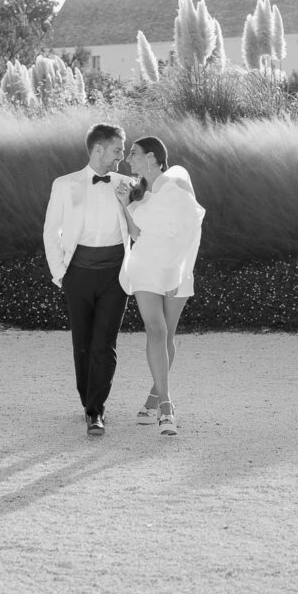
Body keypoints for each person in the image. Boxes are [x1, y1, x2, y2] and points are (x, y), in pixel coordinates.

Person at [43, 122, 131, 437]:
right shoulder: (64, 185)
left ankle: (96, 410)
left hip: (115, 275)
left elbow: (139, 228)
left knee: (104, 343)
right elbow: (51, 231)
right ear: (98, 149)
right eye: (118, 149)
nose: (122, 156)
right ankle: (87, 401)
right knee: (82, 342)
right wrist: (60, 274)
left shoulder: (127, 184)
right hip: (77, 274)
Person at [115, 136, 205, 436]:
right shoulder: (138, 192)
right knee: (156, 330)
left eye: (134, 153)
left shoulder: (175, 186)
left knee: (168, 335)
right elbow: (137, 234)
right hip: (145, 265)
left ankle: (154, 395)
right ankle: (167, 405)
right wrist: (125, 204)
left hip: (175, 267)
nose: (129, 158)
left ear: (152, 157)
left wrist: (177, 272)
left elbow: (192, 230)